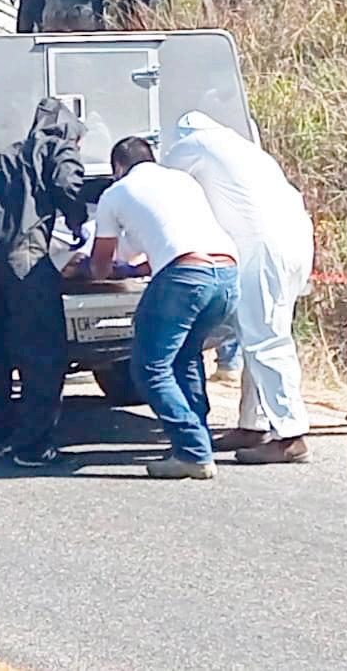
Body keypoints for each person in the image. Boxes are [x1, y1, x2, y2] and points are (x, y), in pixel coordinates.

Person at [164, 111, 314, 465]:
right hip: (294, 243)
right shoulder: (245, 150)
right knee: (257, 338)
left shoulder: (193, 144)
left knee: (266, 340)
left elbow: (164, 187)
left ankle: (291, 435)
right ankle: (253, 424)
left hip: (262, 249)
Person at [89, 136, 239, 480]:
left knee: (150, 368)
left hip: (184, 278)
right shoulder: (182, 180)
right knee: (186, 357)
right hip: (227, 275)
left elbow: (100, 265)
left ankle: (193, 451)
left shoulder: (116, 192)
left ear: (117, 167)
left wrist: (93, 270)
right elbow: (170, 237)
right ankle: (195, 441)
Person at [0, 98, 88, 468]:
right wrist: (78, 220)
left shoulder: (0, 158)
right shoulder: (57, 147)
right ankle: (33, 446)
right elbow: (68, 185)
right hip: (26, 261)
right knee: (42, 354)